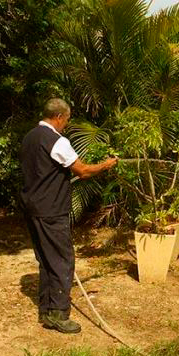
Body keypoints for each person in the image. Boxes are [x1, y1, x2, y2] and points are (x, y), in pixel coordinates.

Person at [20, 98, 117, 334]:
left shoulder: (29, 137)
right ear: (59, 117)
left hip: (32, 207)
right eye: (67, 119)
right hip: (51, 210)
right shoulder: (56, 141)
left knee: (46, 260)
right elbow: (82, 170)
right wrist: (105, 165)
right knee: (63, 261)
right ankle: (59, 314)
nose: (66, 124)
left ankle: (46, 309)